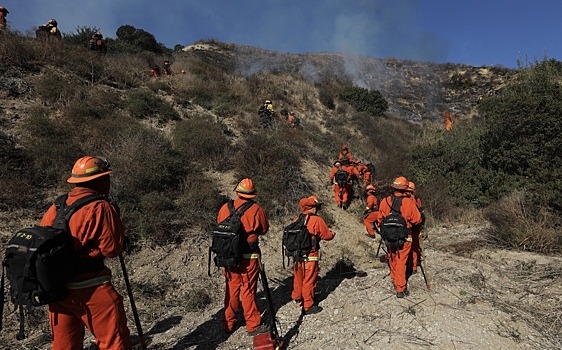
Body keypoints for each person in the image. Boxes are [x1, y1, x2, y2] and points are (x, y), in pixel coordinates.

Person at [39, 156, 131, 349]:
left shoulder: (57, 206)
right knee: (114, 343)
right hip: (91, 287)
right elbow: (112, 249)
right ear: (101, 180)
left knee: (64, 345)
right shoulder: (100, 207)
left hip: (58, 288)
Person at [217, 178, 270, 336]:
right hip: (248, 257)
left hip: (228, 257)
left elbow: (219, 225)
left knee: (231, 290)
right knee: (247, 290)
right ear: (252, 194)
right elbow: (264, 229)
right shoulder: (256, 209)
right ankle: (253, 325)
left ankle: (228, 323)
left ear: (237, 191)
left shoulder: (225, 207)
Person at [377, 176, 422, 298]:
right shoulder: (409, 202)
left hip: (388, 236)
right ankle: (400, 288)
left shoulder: (384, 201)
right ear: (405, 189)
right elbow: (417, 220)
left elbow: (379, 219)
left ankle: (394, 278)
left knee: (392, 258)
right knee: (401, 260)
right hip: (405, 236)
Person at [291, 195, 335, 314]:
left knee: (298, 277)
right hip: (310, 255)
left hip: (297, 256)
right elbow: (327, 236)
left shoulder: (297, 219)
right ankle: (308, 305)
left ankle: (297, 296)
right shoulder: (317, 220)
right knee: (309, 280)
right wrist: (332, 234)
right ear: (312, 207)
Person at [406, 181, 424, 274]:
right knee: (414, 247)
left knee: (409, 248)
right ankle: (414, 266)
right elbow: (420, 214)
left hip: (408, 227)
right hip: (415, 226)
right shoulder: (416, 199)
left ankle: (411, 266)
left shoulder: (406, 200)